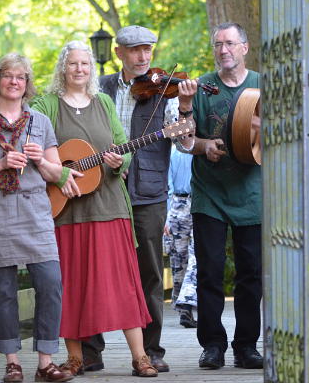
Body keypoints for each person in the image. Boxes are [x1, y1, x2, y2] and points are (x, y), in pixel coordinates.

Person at [31, 40, 158, 378]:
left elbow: (123, 146)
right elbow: (31, 143)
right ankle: (75, 358)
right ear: (63, 68)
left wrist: (120, 159)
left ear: (92, 69)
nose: (79, 69)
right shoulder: (47, 105)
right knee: (70, 286)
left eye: (85, 64)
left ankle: (139, 356)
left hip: (110, 206)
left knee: (122, 284)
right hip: (67, 211)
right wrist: (58, 173)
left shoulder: (103, 102)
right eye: (73, 64)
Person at [0, 53, 77, 383]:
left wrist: (41, 162)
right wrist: (2, 163)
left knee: (50, 284)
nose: (14, 82)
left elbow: (57, 174)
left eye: (21, 77)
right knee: (4, 290)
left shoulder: (40, 122)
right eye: (8, 75)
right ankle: (12, 362)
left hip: (35, 212)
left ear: (27, 84)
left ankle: (46, 362)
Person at [91, 25, 183, 373]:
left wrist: (185, 104)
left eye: (147, 49)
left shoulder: (167, 91)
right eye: (135, 50)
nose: (143, 57)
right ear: (119, 54)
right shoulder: (98, 88)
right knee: (96, 267)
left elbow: (184, 142)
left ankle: (151, 350)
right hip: (102, 186)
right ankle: (90, 350)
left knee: (150, 273)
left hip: (149, 192)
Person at [177, 22, 262, 370]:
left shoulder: (263, 85)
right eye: (217, 45)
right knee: (210, 272)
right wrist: (203, 144)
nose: (223, 50)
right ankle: (212, 344)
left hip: (252, 193)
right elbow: (184, 141)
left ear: (244, 47)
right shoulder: (201, 87)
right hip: (209, 194)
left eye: (229, 43)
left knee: (251, 273)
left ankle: (246, 347)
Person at [163, 144, 197, 328]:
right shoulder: (194, 151)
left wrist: (166, 216)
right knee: (183, 259)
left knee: (183, 258)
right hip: (189, 203)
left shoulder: (171, 152)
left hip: (177, 205)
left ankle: (185, 305)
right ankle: (186, 307)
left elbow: (166, 185)